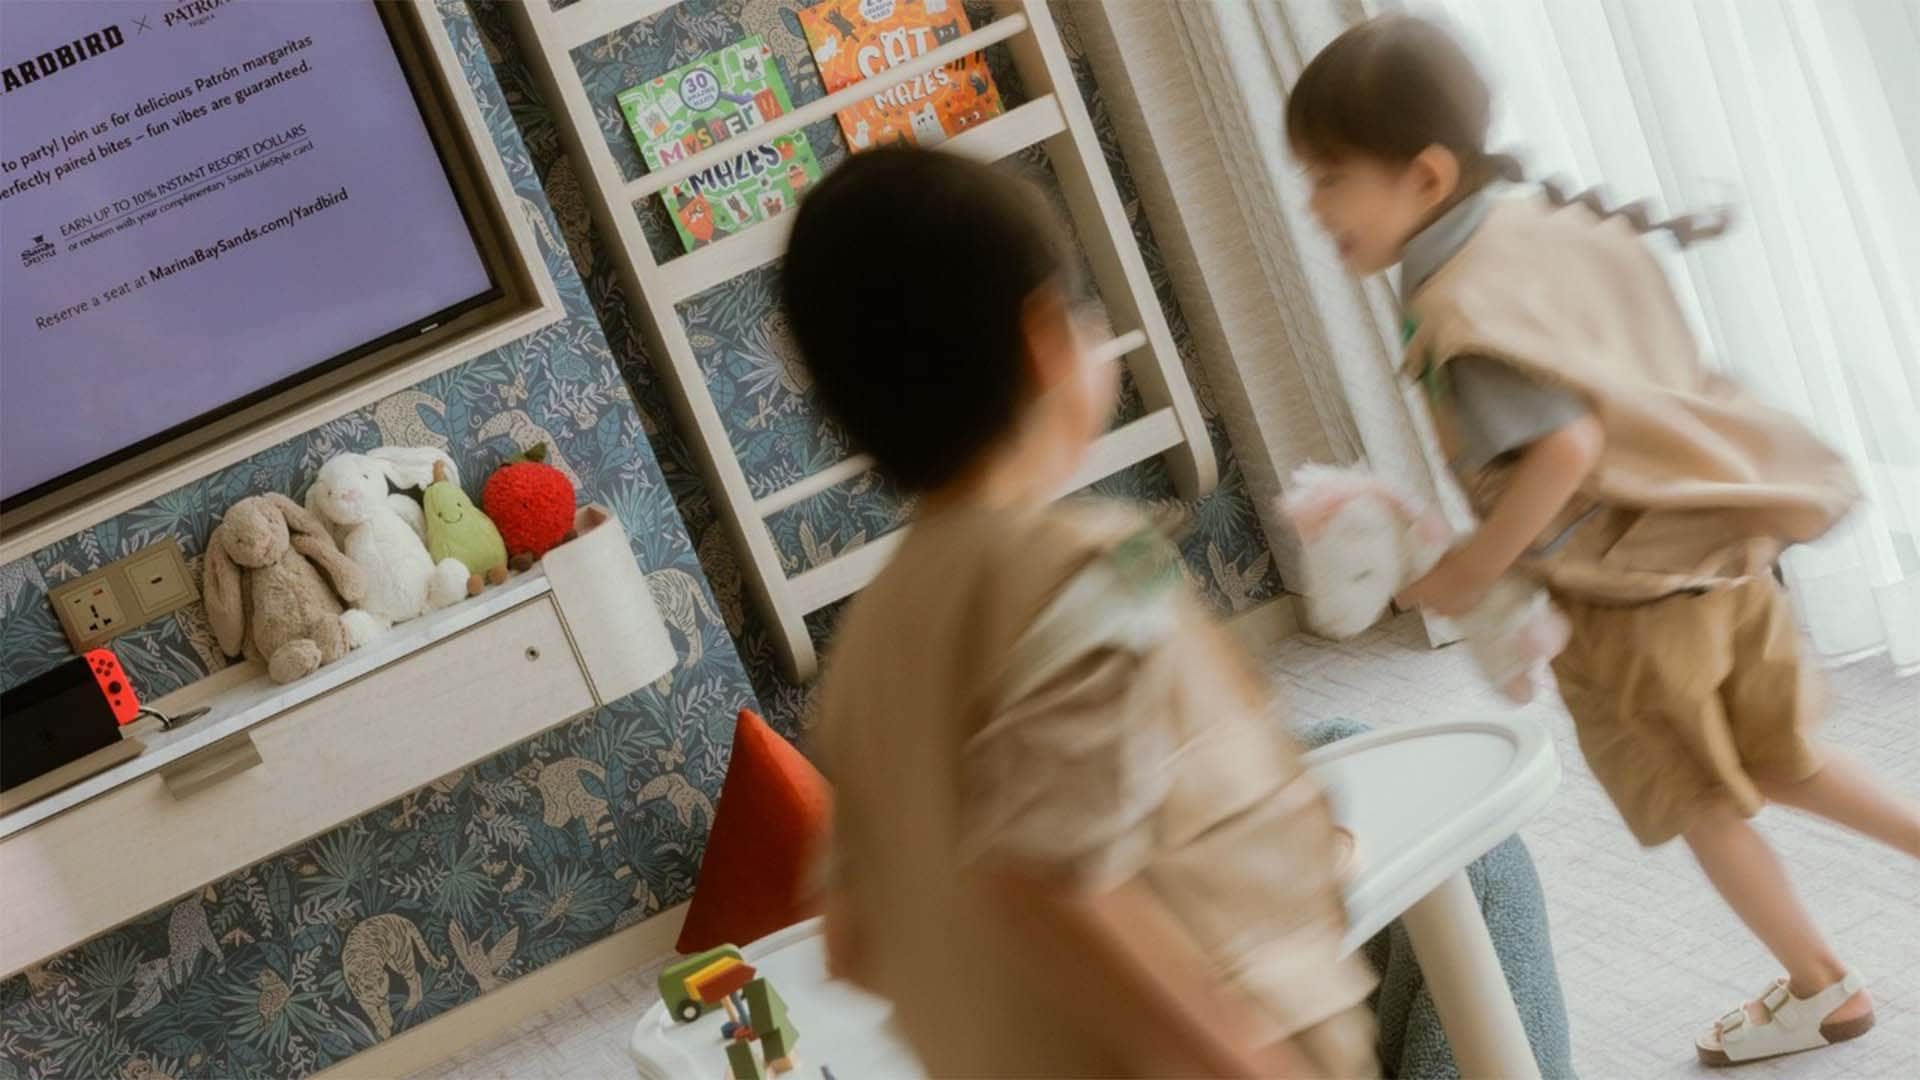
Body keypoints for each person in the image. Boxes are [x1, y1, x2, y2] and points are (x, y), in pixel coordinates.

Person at [1285, 14, 1920, 1068]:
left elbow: (1565, 449)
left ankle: (1823, 987)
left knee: (1701, 804)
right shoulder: (1541, 224)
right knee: (1788, 760)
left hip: (1629, 605)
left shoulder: (1456, 306)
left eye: (1330, 176)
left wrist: (1465, 573)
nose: (1314, 205)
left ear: (1427, 175)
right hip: (1722, 549)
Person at [782, 147, 1377, 1077]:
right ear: (1043, 340)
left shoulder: (865, 651)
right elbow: (1041, 876)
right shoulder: (1088, 572)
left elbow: (851, 940)